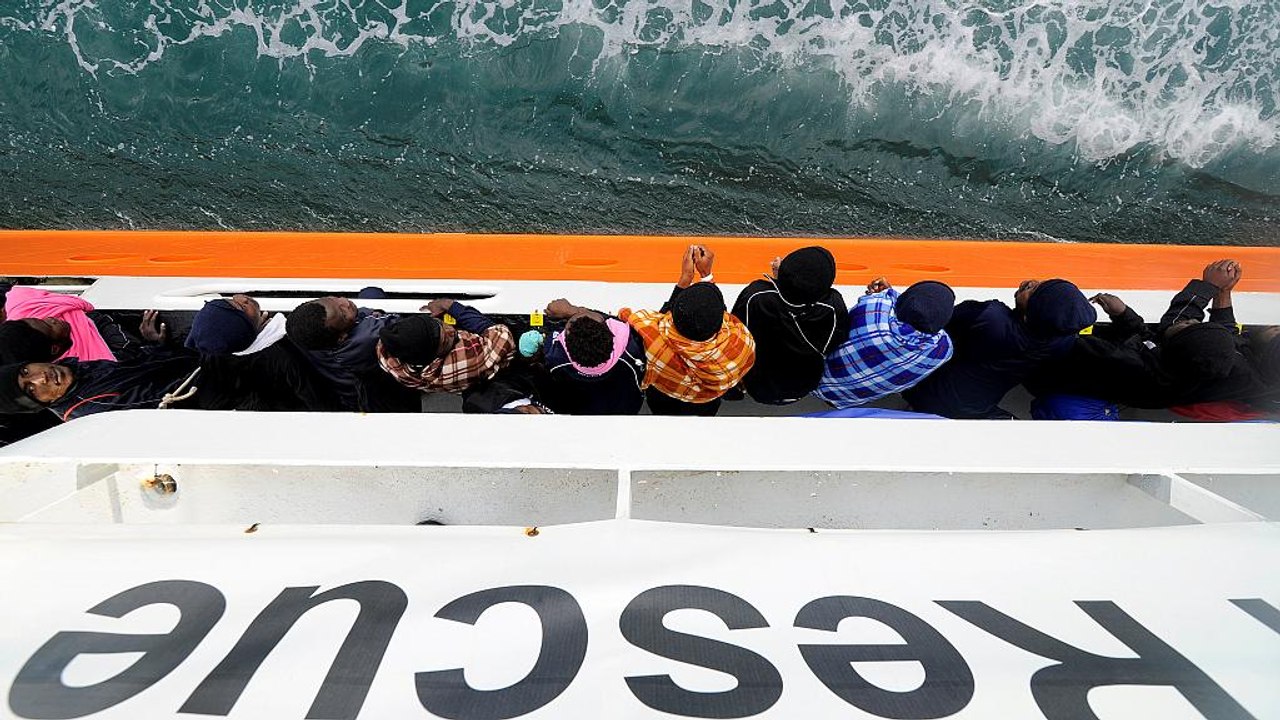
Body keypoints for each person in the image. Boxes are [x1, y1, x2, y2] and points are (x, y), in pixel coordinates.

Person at [902, 278, 1095, 419]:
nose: (1032, 282)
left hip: (924, 392)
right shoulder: (1060, 342)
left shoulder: (989, 317)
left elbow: (931, 323)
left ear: (1028, 317)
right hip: (976, 408)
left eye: (1034, 292)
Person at [618, 245, 755, 416]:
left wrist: (684, 280)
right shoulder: (742, 343)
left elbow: (649, 325)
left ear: (672, 317)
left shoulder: (652, 341)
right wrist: (707, 276)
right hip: (706, 405)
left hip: (662, 400)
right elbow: (722, 317)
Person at [730, 247, 849, 404]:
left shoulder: (756, 296)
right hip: (803, 388)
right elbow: (836, 341)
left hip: (757, 385)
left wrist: (785, 280)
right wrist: (787, 280)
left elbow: (733, 331)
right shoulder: (833, 307)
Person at [815, 278, 955, 408]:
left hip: (814, 380)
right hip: (846, 401)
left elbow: (880, 302)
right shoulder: (943, 350)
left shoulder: (875, 308)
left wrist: (888, 292)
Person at [185, 294, 341, 411]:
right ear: (247, 332)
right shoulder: (286, 356)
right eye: (243, 308)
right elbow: (320, 402)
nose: (242, 297)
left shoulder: (213, 351)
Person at [285, 294, 414, 411]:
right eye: (343, 312)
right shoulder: (368, 339)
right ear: (342, 337)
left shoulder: (304, 334)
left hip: (346, 384)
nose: (345, 301)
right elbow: (403, 322)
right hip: (380, 402)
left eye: (333, 298)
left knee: (371, 292)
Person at [376, 299, 515, 395]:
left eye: (439, 324)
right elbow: (502, 335)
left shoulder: (389, 353)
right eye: (447, 340)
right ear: (436, 358)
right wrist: (449, 305)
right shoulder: (464, 360)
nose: (451, 330)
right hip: (497, 374)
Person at [539, 298, 647, 415]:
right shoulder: (633, 348)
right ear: (611, 335)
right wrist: (573, 310)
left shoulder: (555, 357)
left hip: (580, 412)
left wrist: (571, 312)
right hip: (628, 410)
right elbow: (611, 319)